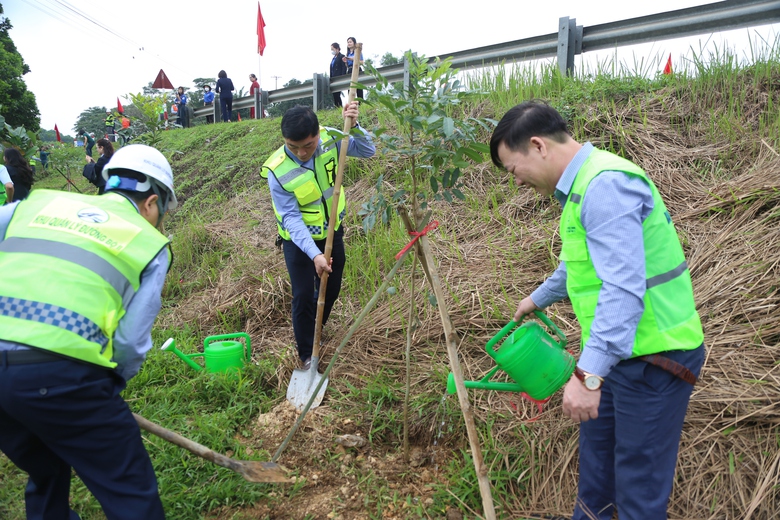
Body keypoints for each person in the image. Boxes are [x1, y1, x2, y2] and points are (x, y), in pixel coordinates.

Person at [489, 101, 705, 520]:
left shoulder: (604, 185)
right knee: (597, 478)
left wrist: (588, 376)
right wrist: (537, 298)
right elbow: (581, 264)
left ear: (537, 146)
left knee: (637, 489)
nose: (517, 182)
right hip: (617, 358)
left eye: (514, 170)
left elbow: (623, 288)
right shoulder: (581, 191)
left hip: (655, 359)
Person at [0, 144, 178, 520]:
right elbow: (130, 343)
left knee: (46, 469)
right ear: (150, 203)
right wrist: (109, 387)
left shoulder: (32, 207)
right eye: (161, 214)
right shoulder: (150, 245)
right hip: (60, 374)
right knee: (129, 490)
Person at [261, 103, 375, 369]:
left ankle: (316, 331)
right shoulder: (277, 170)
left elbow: (369, 150)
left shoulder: (333, 137)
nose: (301, 153)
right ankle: (305, 355)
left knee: (331, 287)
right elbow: (290, 217)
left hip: (332, 232)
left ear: (317, 134)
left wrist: (354, 125)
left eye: (308, 145)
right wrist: (314, 254)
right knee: (302, 294)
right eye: (293, 146)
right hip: (298, 240)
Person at [329, 42, 347, 108]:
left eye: (332, 49)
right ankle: (337, 107)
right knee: (335, 94)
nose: (332, 51)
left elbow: (343, 67)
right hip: (333, 78)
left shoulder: (341, 56)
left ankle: (339, 107)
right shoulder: (333, 58)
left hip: (338, 77)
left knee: (337, 93)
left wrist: (342, 77)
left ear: (337, 49)